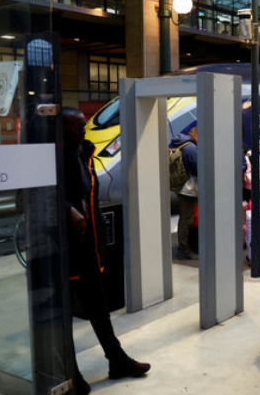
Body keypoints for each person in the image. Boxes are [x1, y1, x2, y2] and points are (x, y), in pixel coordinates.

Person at [62, 108, 150, 394]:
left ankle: (117, 360)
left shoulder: (82, 155)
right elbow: (28, 198)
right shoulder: (52, 161)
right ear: (62, 130)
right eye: (77, 127)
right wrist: (67, 211)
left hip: (89, 248)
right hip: (65, 251)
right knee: (63, 317)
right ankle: (69, 374)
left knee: (99, 310)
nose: (84, 130)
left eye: (83, 125)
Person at [169, 127, 199, 260]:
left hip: (181, 187)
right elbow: (199, 167)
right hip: (188, 189)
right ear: (196, 136)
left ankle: (185, 247)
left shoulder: (181, 145)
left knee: (185, 218)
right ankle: (183, 249)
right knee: (186, 219)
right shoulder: (191, 148)